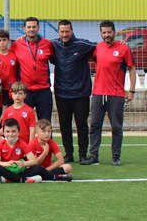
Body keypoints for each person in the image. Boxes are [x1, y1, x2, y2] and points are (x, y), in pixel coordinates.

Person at [83, 20, 136, 166]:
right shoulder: (97, 48)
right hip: (98, 94)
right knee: (94, 126)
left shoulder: (124, 49)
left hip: (116, 95)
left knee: (116, 127)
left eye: (109, 32)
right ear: (101, 33)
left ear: (114, 32)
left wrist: (131, 90)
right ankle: (93, 156)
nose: (106, 35)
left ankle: (116, 157)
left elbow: (132, 69)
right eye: (104, 32)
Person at [51, 20, 95, 163]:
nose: (64, 34)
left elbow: (101, 47)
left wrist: (120, 44)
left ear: (72, 30)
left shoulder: (83, 45)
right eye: (62, 31)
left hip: (80, 94)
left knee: (81, 124)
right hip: (61, 93)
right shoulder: (53, 45)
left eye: (67, 31)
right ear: (58, 32)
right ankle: (69, 154)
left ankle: (83, 155)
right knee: (64, 125)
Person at [10, 17, 54, 120]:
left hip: (43, 90)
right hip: (25, 91)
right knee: (23, 122)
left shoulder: (47, 44)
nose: (31, 29)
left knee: (45, 123)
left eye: (34, 27)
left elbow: (55, 60)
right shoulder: (17, 44)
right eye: (29, 27)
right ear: (24, 29)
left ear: (38, 28)